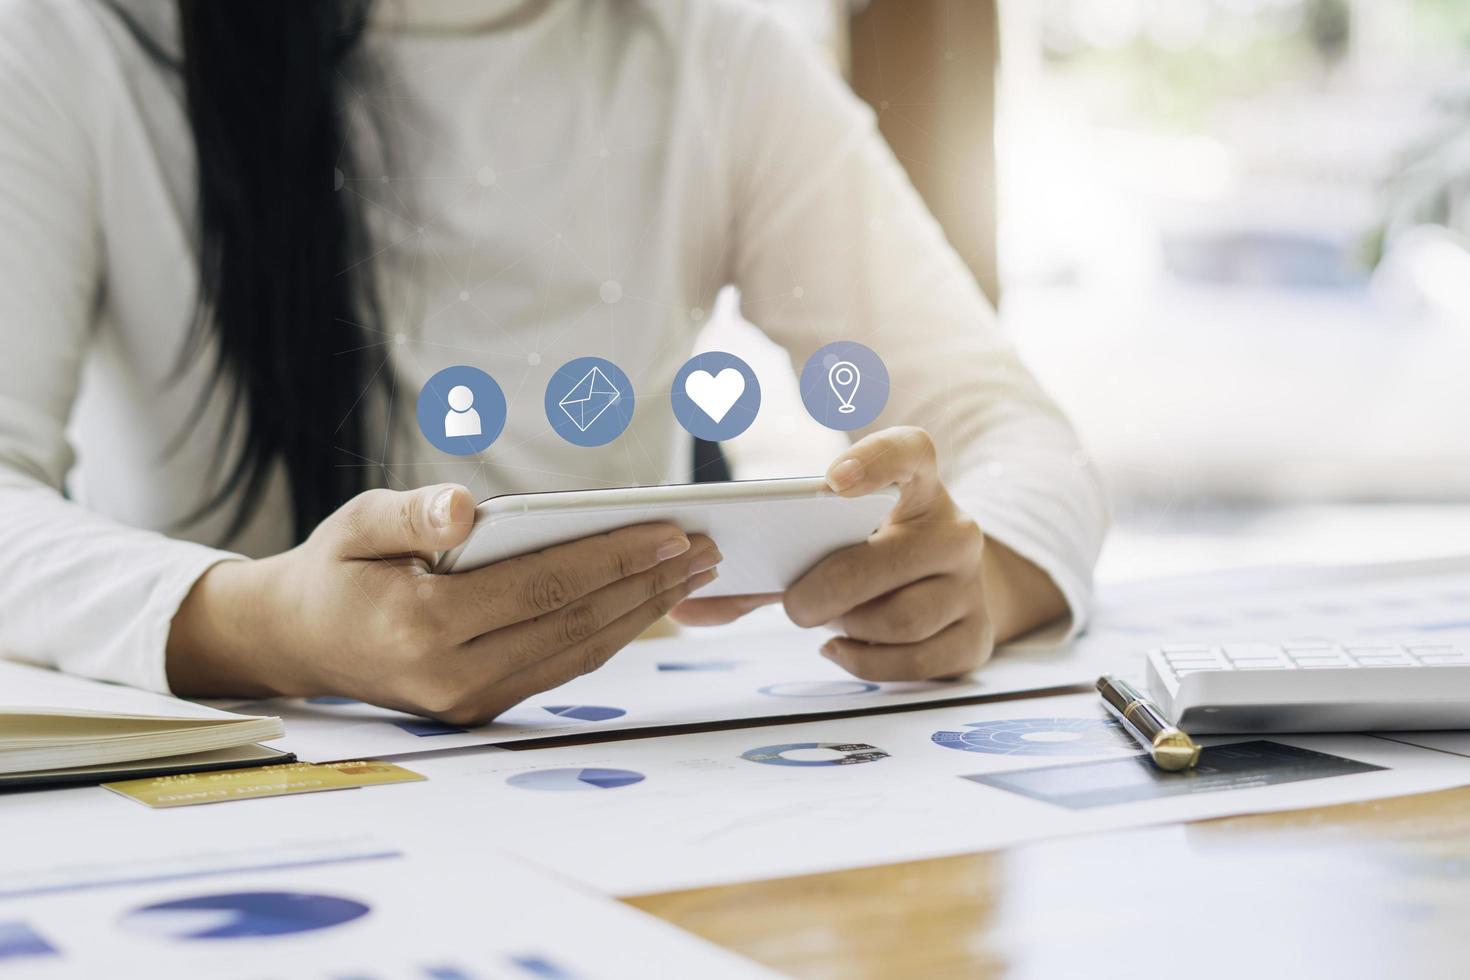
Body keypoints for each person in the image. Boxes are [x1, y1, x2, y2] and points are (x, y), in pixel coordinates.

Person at [0, 0, 1106, 724]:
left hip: (615, 792)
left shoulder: (709, 52)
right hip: (229, 810)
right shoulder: (75, 36)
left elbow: (1014, 436)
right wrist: (270, 624)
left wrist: (977, 580)